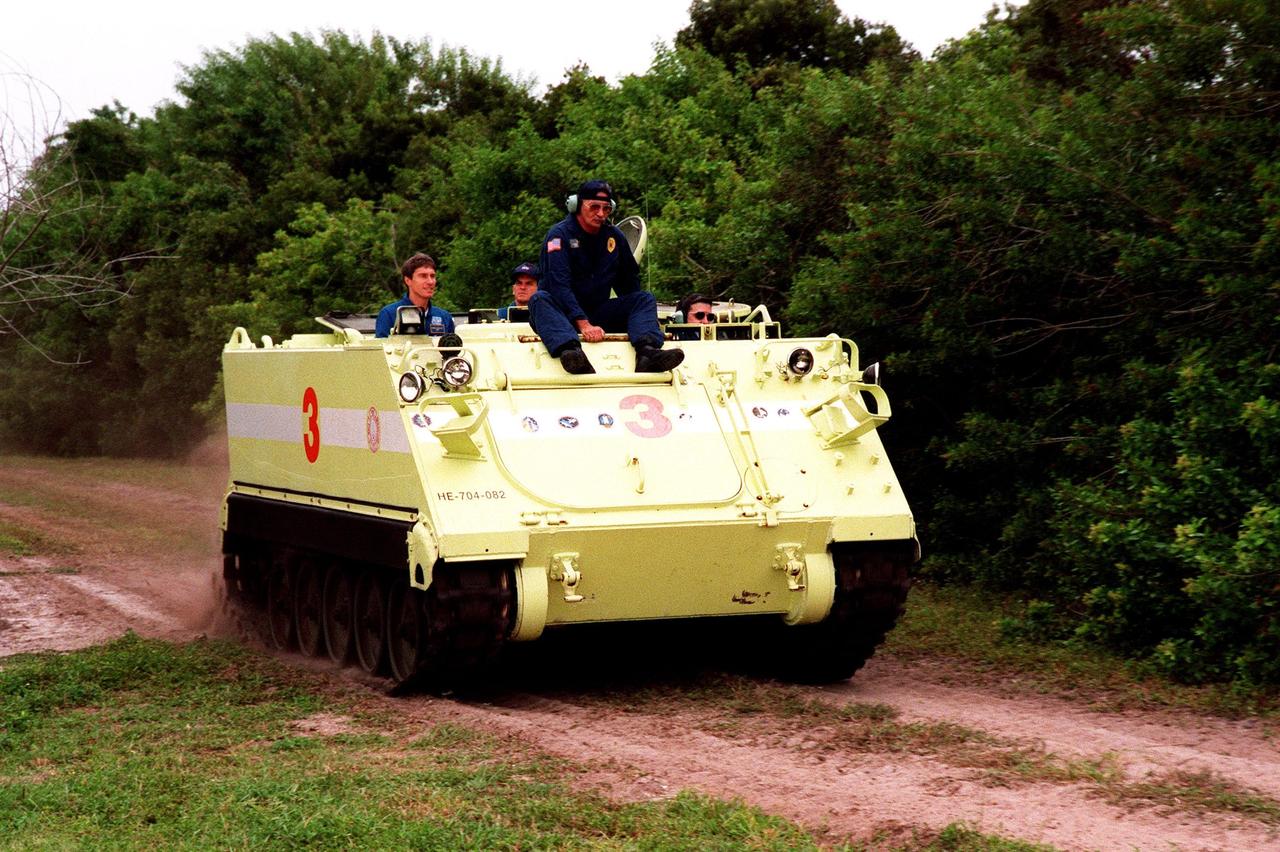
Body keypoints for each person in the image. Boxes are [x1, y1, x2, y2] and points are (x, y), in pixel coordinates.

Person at [530, 180, 684, 375]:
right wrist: (583, 324)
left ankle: (647, 354)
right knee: (539, 299)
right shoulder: (558, 236)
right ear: (576, 205)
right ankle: (572, 353)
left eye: (606, 208)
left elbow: (628, 283)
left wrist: (643, 320)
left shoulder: (614, 237)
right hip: (562, 316)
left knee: (644, 299)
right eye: (594, 207)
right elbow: (558, 285)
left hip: (598, 311)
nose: (601, 214)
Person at [375, 253, 456, 338]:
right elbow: (382, 349)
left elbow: (452, 350)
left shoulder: (444, 317)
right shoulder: (389, 314)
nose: (430, 282)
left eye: (432, 276)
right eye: (423, 276)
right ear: (408, 280)